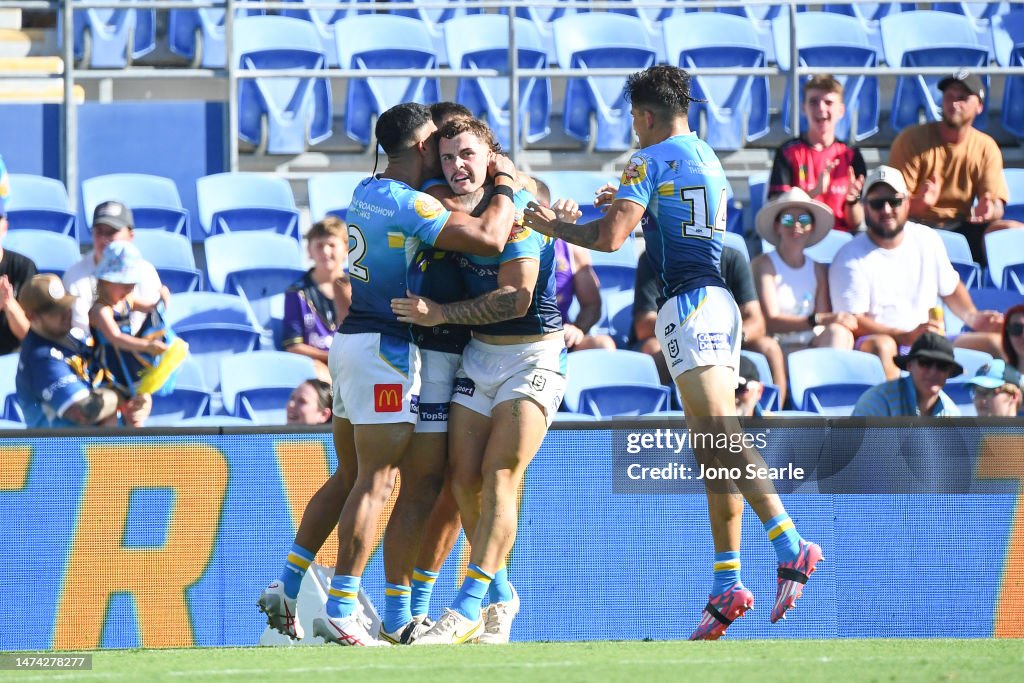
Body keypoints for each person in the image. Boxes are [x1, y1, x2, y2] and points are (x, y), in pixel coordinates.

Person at [523, 65, 823, 639]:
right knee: (713, 449)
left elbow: (610, 239)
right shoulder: (706, 155)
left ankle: (790, 544)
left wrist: (552, 227)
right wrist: (630, 203)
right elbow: (671, 218)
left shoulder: (647, 159)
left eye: (633, 119)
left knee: (718, 436)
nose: (632, 130)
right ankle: (726, 581)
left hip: (691, 304)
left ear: (644, 115)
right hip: (718, 304)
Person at [258, 102, 521, 648]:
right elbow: (493, 239)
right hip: (386, 348)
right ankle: (341, 608)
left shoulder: (366, 191)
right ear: (423, 147)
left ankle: (287, 584)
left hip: (348, 343)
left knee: (351, 476)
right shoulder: (411, 203)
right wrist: (507, 180)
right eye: (437, 144)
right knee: (377, 482)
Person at [392, 116, 565, 646]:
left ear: (492, 156)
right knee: (461, 480)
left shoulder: (519, 211)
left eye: (468, 154)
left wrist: (439, 311)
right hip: (478, 359)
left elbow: (515, 298)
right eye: (447, 158)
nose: (457, 166)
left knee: (498, 478)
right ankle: (502, 594)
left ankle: (466, 605)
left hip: (532, 357)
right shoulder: (447, 201)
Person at [829, 166, 1004, 379]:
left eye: (894, 201)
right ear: (865, 207)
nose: (886, 209)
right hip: (882, 340)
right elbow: (853, 321)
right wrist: (904, 336)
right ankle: (901, 412)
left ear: (907, 202)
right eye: (876, 203)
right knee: (882, 346)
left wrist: (973, 317)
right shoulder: (849, 256)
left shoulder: (927, 239)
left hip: (929, 340)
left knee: (996, 344)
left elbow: (950, 288)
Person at [888, 70, 1024, 268]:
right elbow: (891, 206)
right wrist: (920, 203)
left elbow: (996, 207)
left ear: (979, 106)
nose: (954, 103)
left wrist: (989, 210)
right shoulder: (911, 140)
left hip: (962, 225)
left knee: (1012, 230)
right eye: (949, 96)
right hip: (916, 225)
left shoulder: (985, 147)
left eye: (962, 98)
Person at [633, 245, 789, 408]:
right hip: (676, 338)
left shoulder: (732, 257)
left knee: (770, 347)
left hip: (722, 338)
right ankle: (657, 418)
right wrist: (691, 333)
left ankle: (775, 417)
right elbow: (643, 326)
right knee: (653, 347)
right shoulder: (655, 257)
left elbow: (757, 321)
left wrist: (728, 338)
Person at [15, 274, 150, 427]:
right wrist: (123, 395)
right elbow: (85, 411)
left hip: (101, 444)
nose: (66, 313)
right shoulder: (39, 359)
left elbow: (111, 372)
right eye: (56, 311)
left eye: (66, 305)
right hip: (61, 449)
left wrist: (139, 396)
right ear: (32, 316)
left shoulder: (75, 336)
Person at [751, 188, 857, 354]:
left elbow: (822, 323)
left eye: (804, 220)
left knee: (840, 333)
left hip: (810, 346)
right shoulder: (763, 264)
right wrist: (819, 319)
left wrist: (823, 321)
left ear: (812, 227)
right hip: (776, 349)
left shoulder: (818, 270)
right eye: (787, 220)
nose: (796, 225)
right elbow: (770, 321)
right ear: (777, 226)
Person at [769, 75, 867, 232]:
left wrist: (852, 200)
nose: (821, 108)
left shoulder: (851, 155)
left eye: (828, 102)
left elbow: (855, 223)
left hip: (841, 241)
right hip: (801, 239)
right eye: (813, 102)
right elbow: (779, 213)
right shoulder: (788, 152)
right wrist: (815, 192)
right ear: (803, 108)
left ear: (841, 110)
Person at [88, 242, 179, 408]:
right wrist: (146, 346)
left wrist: (163, 296)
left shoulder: (126, 300)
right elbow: (116, 337)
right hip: (107, 374)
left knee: (137, 415)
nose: (130, 288)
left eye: (132, 284)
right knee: (110, 420)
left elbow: (153, 308)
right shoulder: (100, 311)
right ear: (105, 281)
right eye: (124, 283)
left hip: (125, 368)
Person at [533, 178, 616, 352]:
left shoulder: (571, 248)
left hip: (559, 337)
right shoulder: (500, 241)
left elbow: (592, 304)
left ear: (542, 206)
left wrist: (578, 329)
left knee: (603, 345)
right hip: (511, 341)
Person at [64, 201, 162, 340]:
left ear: (130, 235)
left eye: (111, 232)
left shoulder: (146, 272)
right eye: (99, 232)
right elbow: (81, 331)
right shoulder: (75, 275)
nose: (104, 239)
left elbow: (155, 316)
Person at [282, 216, 350, 382]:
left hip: (353, 365)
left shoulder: (358, 289)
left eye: (332, 245)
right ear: (309, 251)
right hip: (317, 369)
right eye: (319, 246)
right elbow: (293, 346)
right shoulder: (297, 293)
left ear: (346, 249)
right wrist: (329, 357)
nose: (326, 251)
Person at [852, 332, 962, 416]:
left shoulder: (951, 414)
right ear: (910, 366)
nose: (933, 371)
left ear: (949, 372)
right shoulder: (877, 402)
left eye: (942, 365)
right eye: (925, 362)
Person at [0, 197, 36, 355]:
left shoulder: (24, 267)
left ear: (4, 226)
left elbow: (29, 336)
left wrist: (9, 304)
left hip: (15, 358)